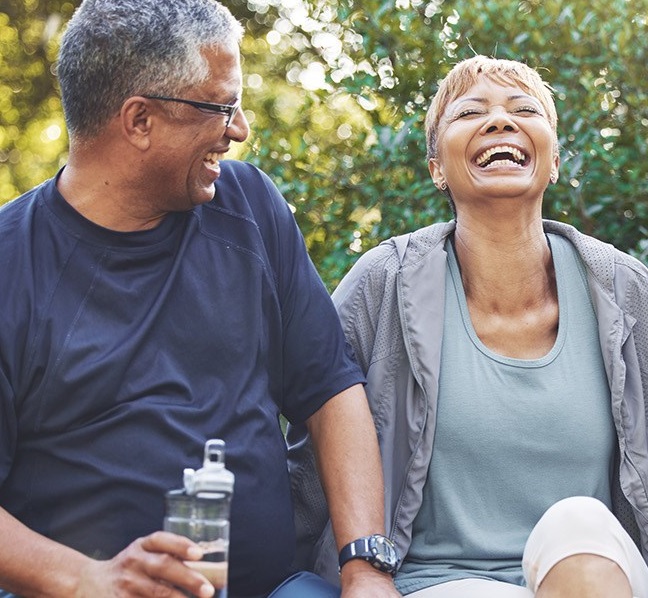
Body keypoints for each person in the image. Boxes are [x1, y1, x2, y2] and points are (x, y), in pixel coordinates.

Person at [0, 1, 399, 597]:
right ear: (139, 121)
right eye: (221, 106)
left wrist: (364, 566)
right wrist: (89, 580)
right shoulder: (11, 264)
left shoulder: (250, 207)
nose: (239, 129)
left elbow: (331, 391)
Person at [287, 55, 648, 597]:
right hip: (436, 584)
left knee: (578, 521)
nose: (500, 122)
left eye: (524, 110)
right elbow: (317, 458)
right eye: (470, 113)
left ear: (552, 162)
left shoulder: (625, 290)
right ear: (436, 167)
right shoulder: (383, 283)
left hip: (599, 575)